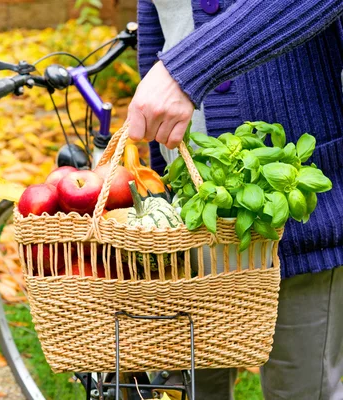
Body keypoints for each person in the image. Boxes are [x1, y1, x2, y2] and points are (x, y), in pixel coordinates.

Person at [129, 1, 343, 399]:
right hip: (192, 213)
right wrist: (160, 182)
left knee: (301, 389)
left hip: (296, 206)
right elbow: (157, 33)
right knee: (195, 390)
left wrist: (189, 68)